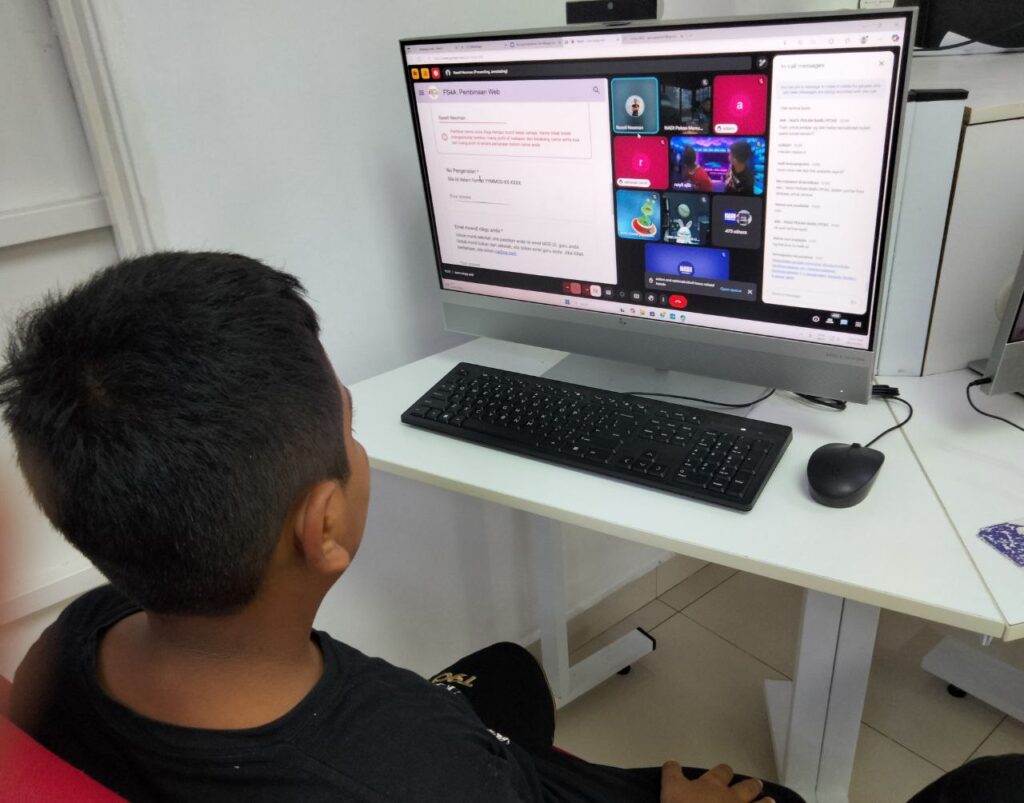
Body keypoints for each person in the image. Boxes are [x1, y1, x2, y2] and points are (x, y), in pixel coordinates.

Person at [0, 252, 800, 802]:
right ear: (324, 525)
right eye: (349, 426)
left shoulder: (75, 637)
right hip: (464, 768)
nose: (357, 443)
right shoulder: (432, 774)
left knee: (508, 670)